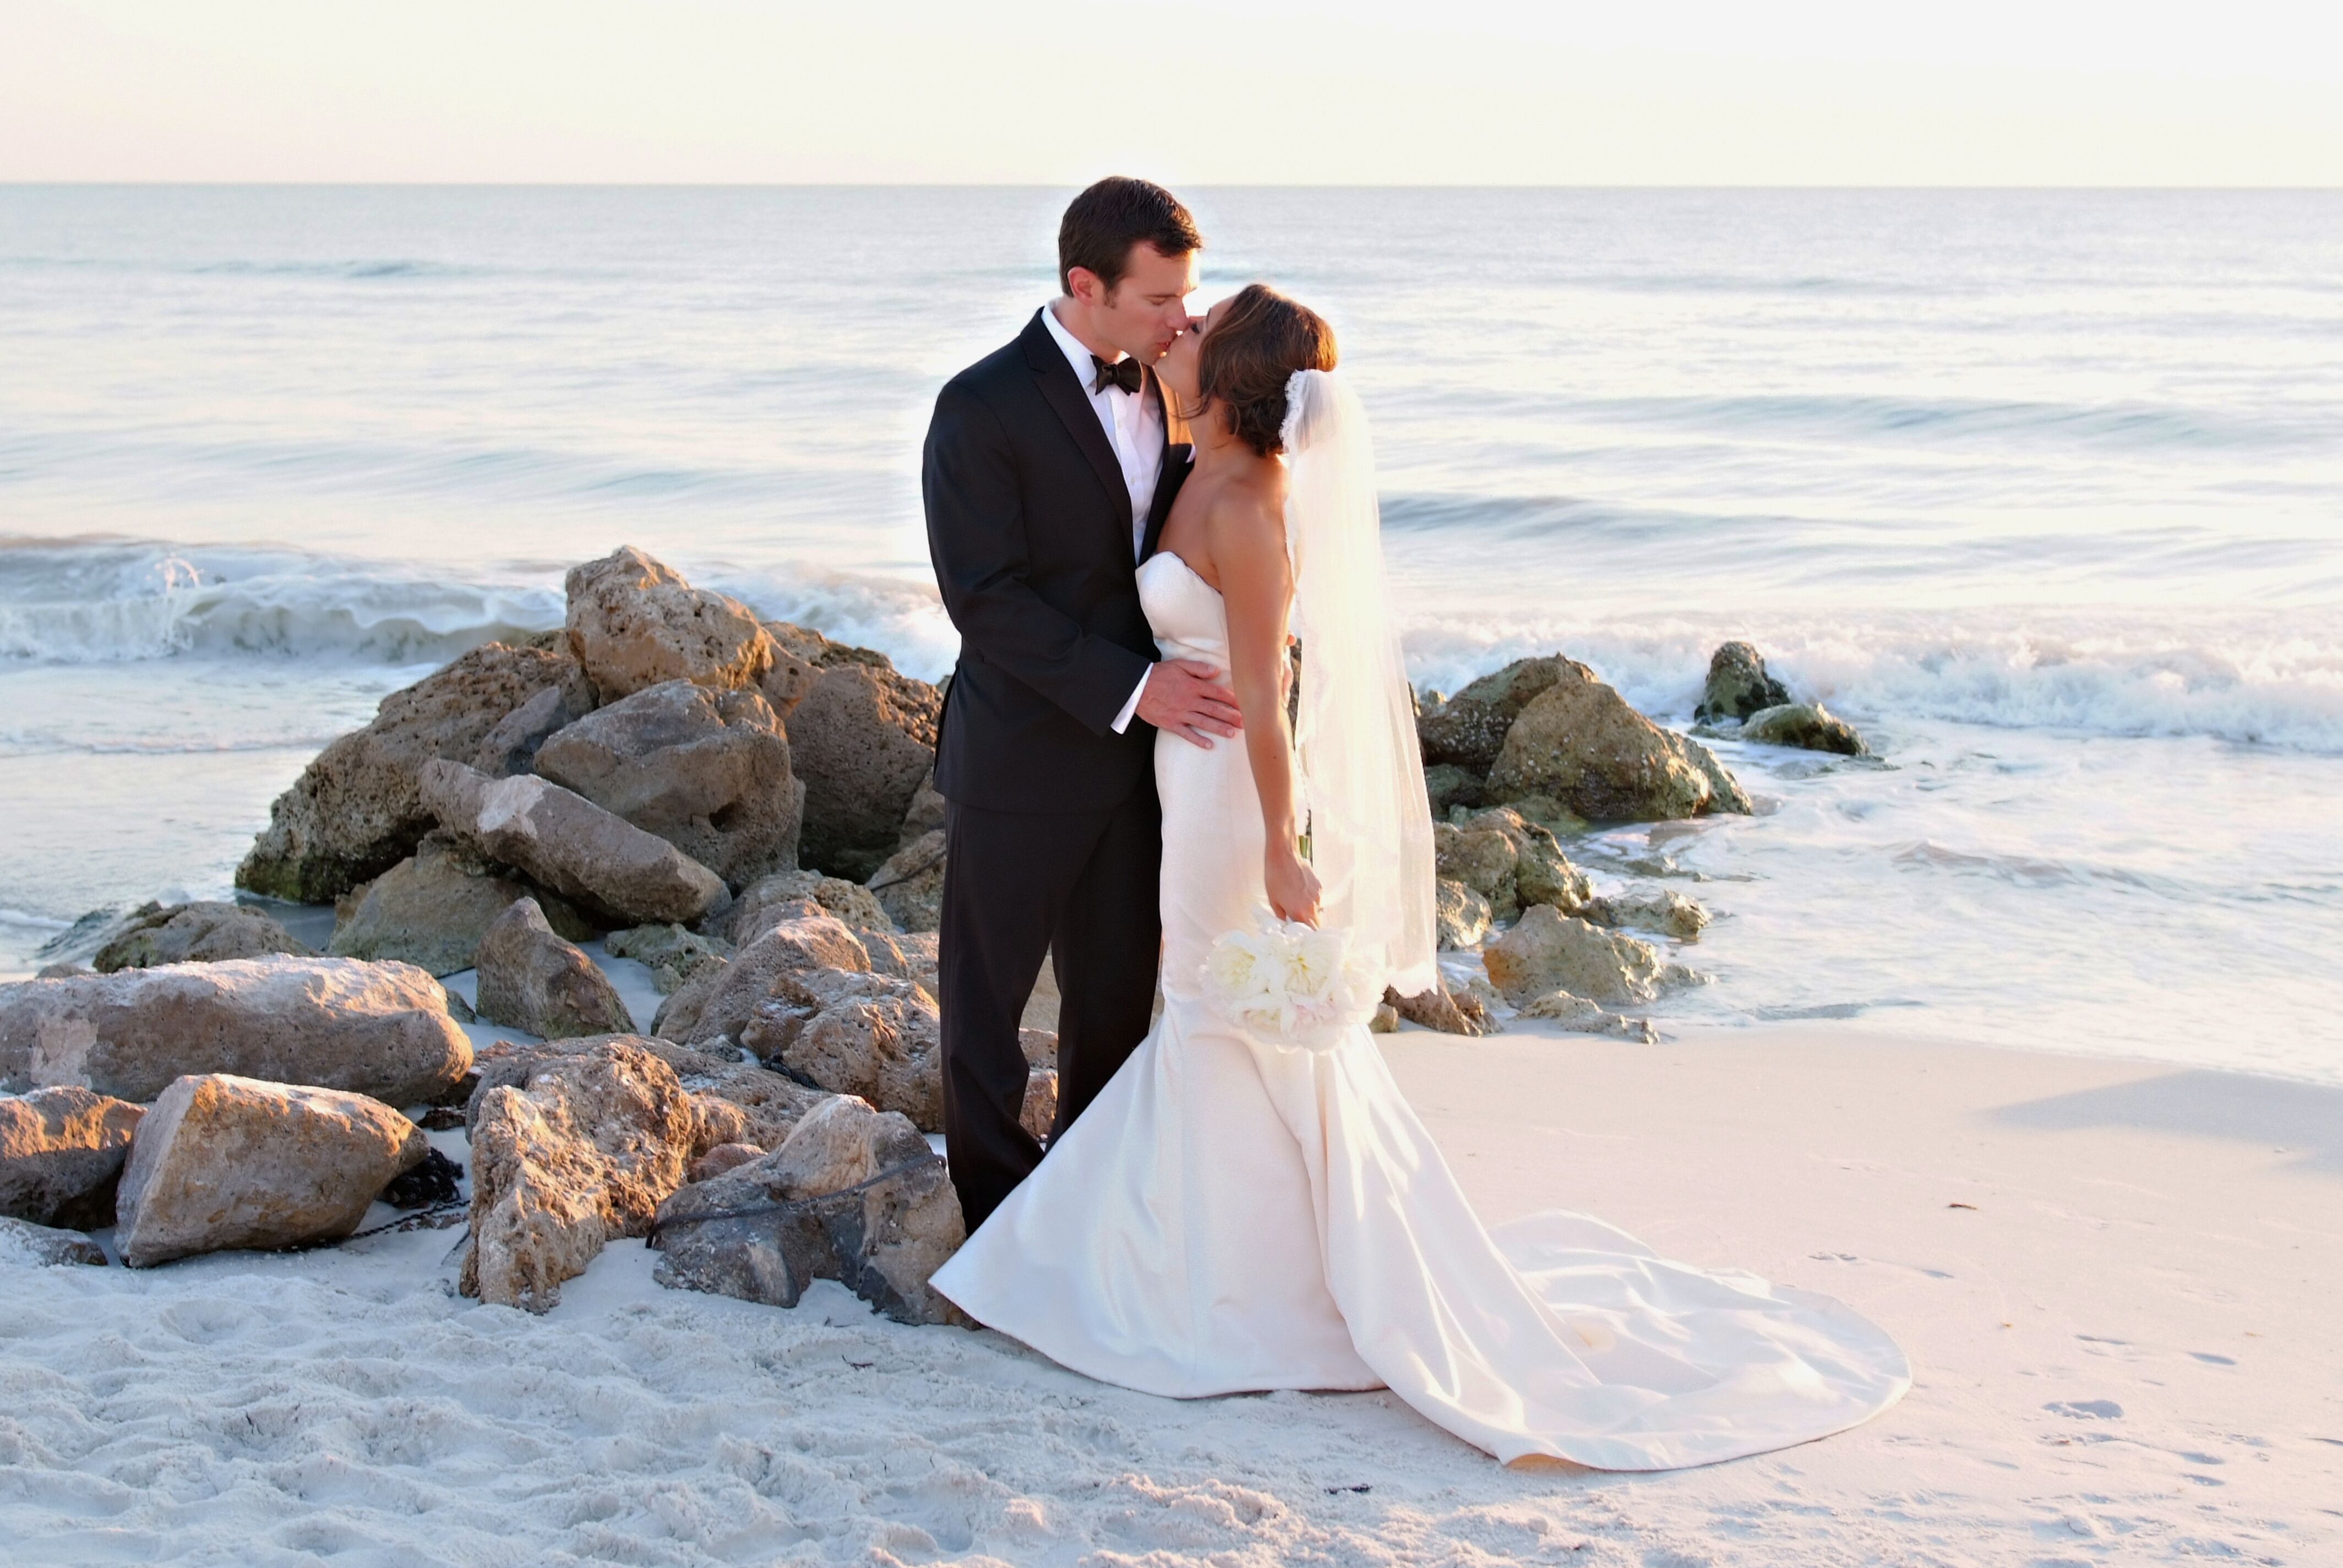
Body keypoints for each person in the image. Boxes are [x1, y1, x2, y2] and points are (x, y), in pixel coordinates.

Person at [929, 281, 1913, 1469]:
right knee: (1200, 1009)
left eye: (1199, 324)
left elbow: (1272, 703)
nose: (1175, 328)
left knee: (1213, 1008)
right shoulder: (1193, 458)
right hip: (1177, 778)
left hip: (1232, 795)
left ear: (1236, 382)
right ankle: (1194, 1257)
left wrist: (1286, 845)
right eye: (1170, 309)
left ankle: (1223, 1284)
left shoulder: (1249, 503)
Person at [921, 177, 1234, 1233]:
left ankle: (1089, 1223)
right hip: (1020, 757)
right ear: (1083, 286)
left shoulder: (1176, 390)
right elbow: (985, 598)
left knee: (1114, 1012)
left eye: (1189, 297)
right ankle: (998, 1226)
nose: (1182, 320)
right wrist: (1137, 688)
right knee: (987, 1014)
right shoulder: (980, 405)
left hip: (1148, 770)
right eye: (1159, 302)